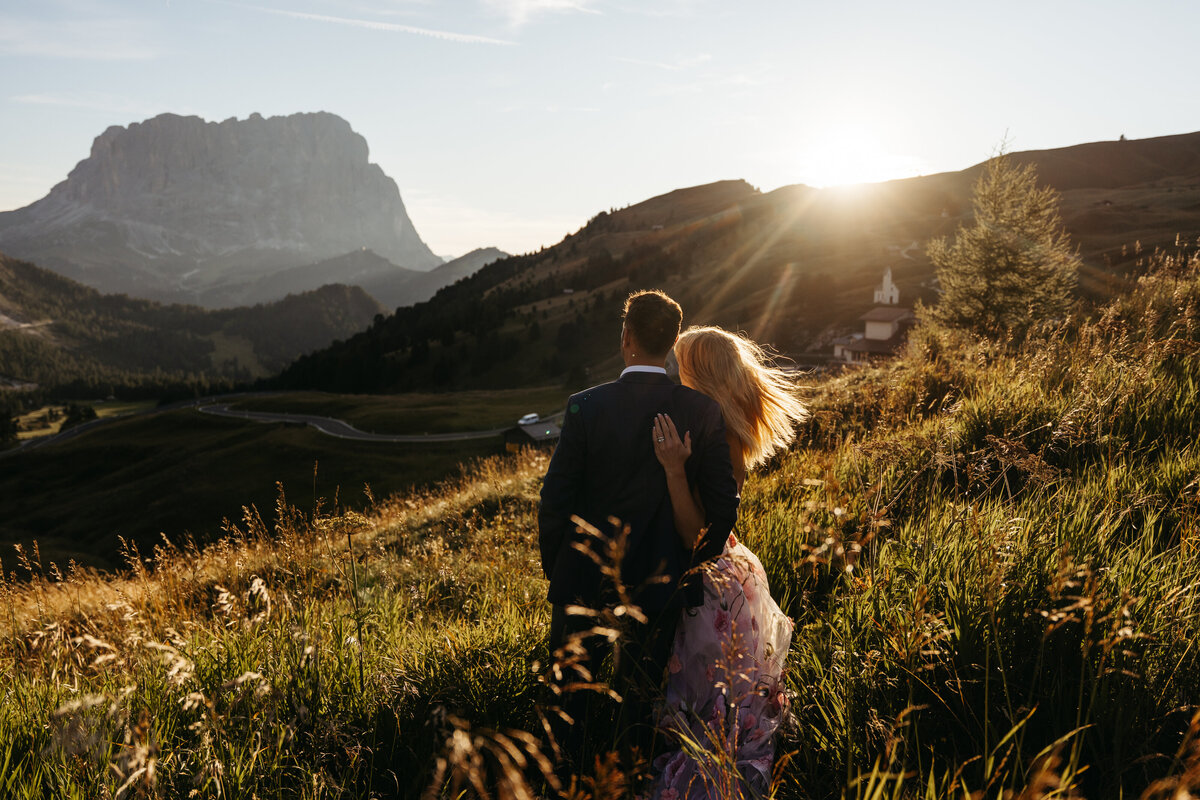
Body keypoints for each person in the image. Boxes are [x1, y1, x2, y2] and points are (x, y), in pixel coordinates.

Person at [538, 292, 741, 779]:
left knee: (567, 708)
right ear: (672, 343)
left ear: (625, 338)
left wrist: (560, 568)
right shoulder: (701, 411)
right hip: (663, 586)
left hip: (581, 581)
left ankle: (563, 784)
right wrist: (691, 569)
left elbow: (554, 501)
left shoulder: (585, 407)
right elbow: (722, 511)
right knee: (640, 708)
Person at [648, 325, 807, 799]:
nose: (673, 373)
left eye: (682, 364)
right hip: (729, 574)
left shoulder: (723, 443)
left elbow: (697, 537)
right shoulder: (716, 427)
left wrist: (674, 471)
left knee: (708, 703)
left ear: (701, 374)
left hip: (713, 583)